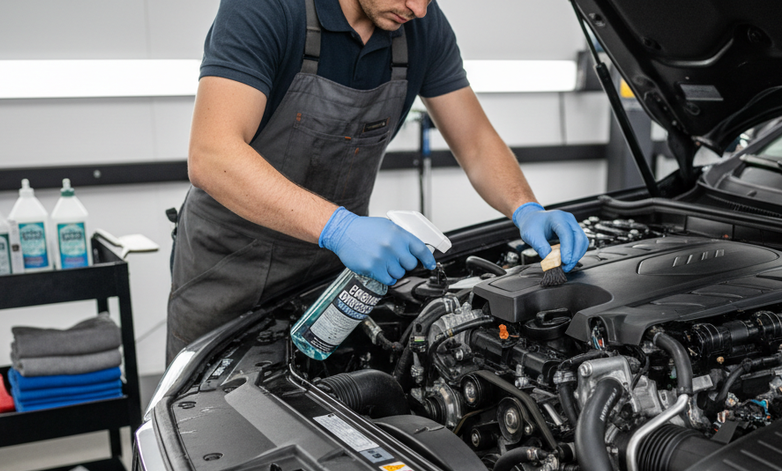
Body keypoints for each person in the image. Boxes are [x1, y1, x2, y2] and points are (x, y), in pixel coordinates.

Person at [166, 0, 589, 362]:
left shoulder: (420, 24)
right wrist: (340, 227)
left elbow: (476, 142)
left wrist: (525, 207)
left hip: (333, 278)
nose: (419, 8)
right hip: (227, 272)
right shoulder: (268, 7)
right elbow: (212, 155)